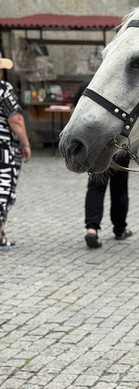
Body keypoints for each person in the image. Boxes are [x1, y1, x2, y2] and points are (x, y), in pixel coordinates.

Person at [72, 82, 133, 248]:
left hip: (95, 146)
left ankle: (92, 229)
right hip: (118, 144)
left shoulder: (87, 85)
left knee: (95, 187)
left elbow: (76, 113)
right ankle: (120, 229)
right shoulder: (121, 87)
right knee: (119, 189)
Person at [0, 52, 31, 249]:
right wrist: (25, 143)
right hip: (3, 149)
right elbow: (16, 119)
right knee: (3, 190)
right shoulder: (3, 89)